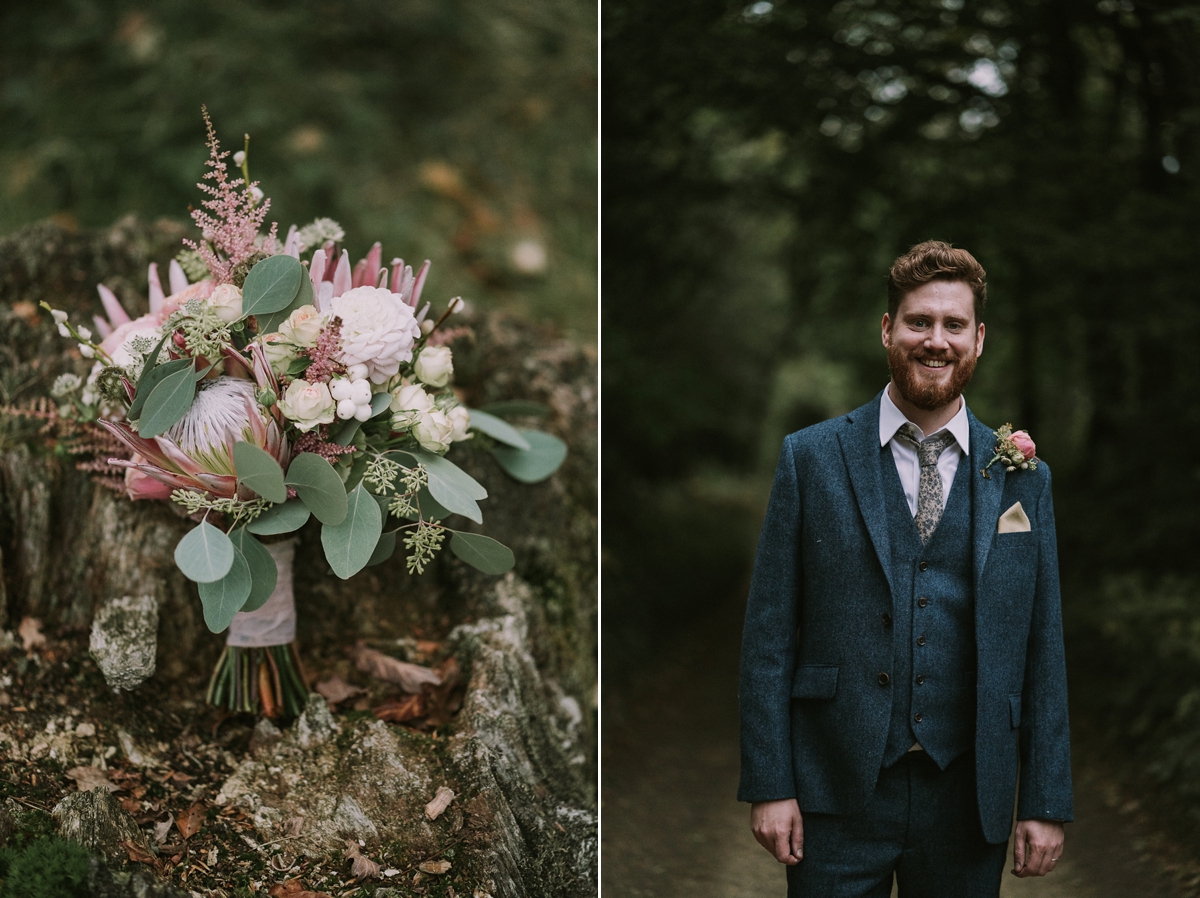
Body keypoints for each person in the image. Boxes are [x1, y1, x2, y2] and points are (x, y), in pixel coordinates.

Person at [738, 241, 1072, 897]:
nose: (936, 341)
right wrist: (770, 784)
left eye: (953, 325)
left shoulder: (1023, 480)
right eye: (920, 321)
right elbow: (769, 635)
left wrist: (1045, 799)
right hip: (834, 790)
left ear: (979, 339)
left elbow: (1042, 645)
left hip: (968, 796)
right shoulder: (810, 458)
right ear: (888, 329)